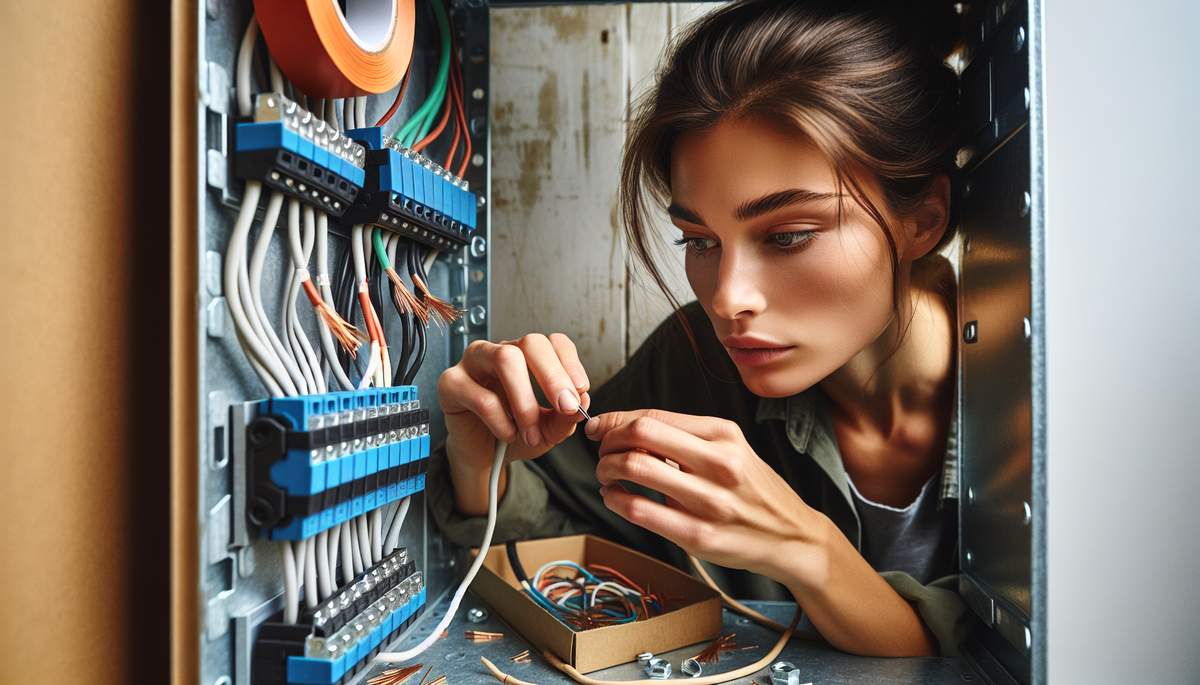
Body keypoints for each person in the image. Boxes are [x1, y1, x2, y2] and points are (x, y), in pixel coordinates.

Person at [429, 0, 969, 657]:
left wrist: (805, 544)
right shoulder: (696, 357)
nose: (728, 299)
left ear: (924, 219)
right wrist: (480, 455)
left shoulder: (1036, 406)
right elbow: (557, 553)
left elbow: (1000, 657)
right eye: (700, 240)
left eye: (788, 235)